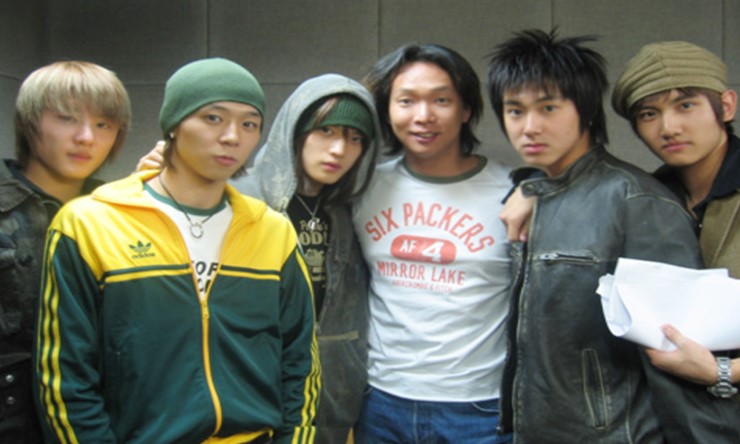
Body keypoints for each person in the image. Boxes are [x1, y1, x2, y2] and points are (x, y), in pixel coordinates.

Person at [33, 58, 320, 444]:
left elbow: (300, 362)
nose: (232, 136)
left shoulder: (272, 231)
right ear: (173, 124)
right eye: (213, 118)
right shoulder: (89, 224)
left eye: (249, 124)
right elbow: (65, 378)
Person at [486, 29, 736, 443]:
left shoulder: (638, 199)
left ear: (585, 111)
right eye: (515, 111)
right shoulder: (533, 196)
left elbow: (674, 354)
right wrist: (531, 185)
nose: (529, 127)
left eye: (548, 108)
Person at [353, 43, 513, 443]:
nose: (423, 116)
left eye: (441, 100)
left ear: (466, 109)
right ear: (387, 110)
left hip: (480, 408)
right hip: (381, 401)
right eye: (406, 101)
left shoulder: (512, 191)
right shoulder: (362, 187)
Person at [231, 74, 381, 444]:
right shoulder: (236, 196)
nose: (339, 149)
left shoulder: (352, 209)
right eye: (326, 131)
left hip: (331, 397)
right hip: (249, 391)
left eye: (355, 138)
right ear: (295, 129)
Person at [0, 60, 131, 444]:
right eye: (66, 118)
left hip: (103, 422)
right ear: (29, 123)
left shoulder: (125, 213)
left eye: (103, 124)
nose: (86, 137)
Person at [612, 41, 740, 405]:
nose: (669, 127)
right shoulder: (644, 199)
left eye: (686, 105)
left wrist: (724, 372)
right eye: (648, 114)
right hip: (673, 413)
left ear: (726, 106)